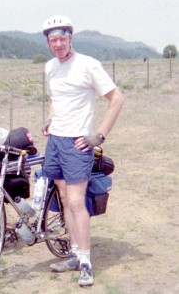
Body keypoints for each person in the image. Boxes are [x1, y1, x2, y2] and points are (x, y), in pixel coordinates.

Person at [40, 15, 124, 287]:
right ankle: (74, 254)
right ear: (48, 42)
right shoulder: (50, 67)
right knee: (63, 198)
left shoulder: (88, 65)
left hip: (78, 143)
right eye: (53, 40)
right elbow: (56, 98)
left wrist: (99, 135)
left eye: (62, 38)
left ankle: (86, 261)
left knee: (76, 202)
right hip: (55, 140)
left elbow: (116, 98)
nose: (58, 44)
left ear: (71, 38)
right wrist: (52, 120)